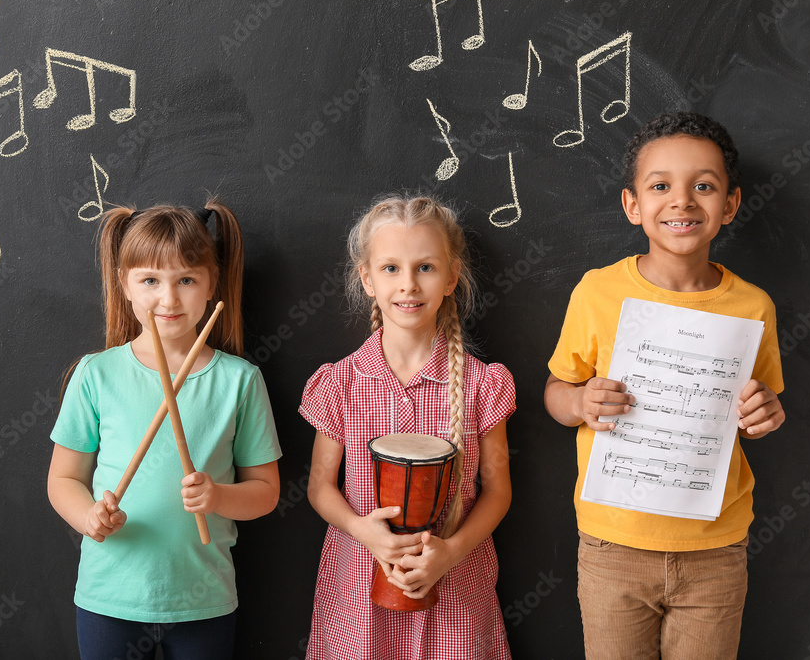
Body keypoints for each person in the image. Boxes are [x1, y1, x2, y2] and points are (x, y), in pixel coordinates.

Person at [543, 111, 786, 659]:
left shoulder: (753, 307)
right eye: (660, 186)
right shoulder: (598, 292)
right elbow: (556, 391)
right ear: (633, 204)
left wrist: (766, 414)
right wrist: (580, 401)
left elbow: (760, 409)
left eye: (704, 186)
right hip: (613, 542)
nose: (682, 201)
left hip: (714, 547)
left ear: (730, 204)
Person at [47, 201, 282, 660]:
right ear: (125, 285)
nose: (169, 299)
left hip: (204, 599)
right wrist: (87, 517)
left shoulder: (239, 380)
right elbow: (63, 479)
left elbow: (267, 491)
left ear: (211, 284)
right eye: (150, 280)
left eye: (186, 280)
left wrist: (218, 496)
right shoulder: (96, 374)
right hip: (108, 597)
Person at [300, 195, 515, 659]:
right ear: (368, 279)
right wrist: (363, 530)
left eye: (426, 268)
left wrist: (451, 553)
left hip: (455, 588)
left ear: (452, 276)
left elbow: (498, 491)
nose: (409, 285)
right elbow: (319, 486)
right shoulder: (339, 383)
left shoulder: (482, 384)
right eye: (391, 268)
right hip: (359, 584)